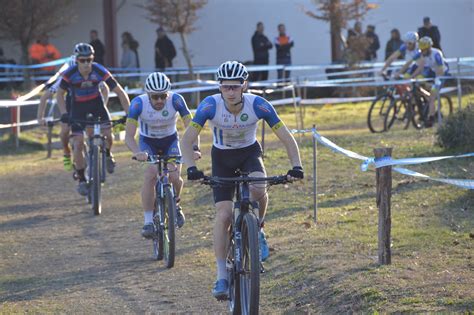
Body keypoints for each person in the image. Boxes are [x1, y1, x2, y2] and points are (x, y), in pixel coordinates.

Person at [181, 61, 304, 300]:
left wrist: (296, 166)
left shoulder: (258, 104)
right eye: (225, 87)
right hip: (222, 157)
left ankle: (257, 228)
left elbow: (287, 137)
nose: (230, 92)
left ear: (244, 85)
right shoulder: (209, 106)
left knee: (258, 186)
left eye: (235, 87)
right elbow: (186, 141)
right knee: (225, 215)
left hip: (249, 153)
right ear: (220, 87)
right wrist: (191, 167)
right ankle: (221, 275)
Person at [125, 72, 200, 236]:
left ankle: (176, 204)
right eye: (155, 97)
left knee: (174, 176)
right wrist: (137, 152)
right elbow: (129, 135)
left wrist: (194, 149)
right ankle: (148, 221)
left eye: (163, 96)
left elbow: (192, 126)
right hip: (148, 142)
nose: (159, 100)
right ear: (148, 94)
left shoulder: (176, 100)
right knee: (151, 174)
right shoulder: (138, 104)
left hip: (170, 141)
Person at [56, 43, 130, 196]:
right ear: (76, 60)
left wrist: (130, 114)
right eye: (82, 60)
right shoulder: (70, 74)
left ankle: (108, 154)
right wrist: (64, 113)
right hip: (77, 108)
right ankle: (82, 179)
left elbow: (120, 91)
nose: (86, 64)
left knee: (108, 135)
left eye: (89, 60)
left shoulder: (99, 70)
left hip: (96, 105)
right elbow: (59, 94)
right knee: (77, 144)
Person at [37, 56, 109, 172]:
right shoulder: (63, 80)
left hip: (89, 105)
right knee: (65, 131)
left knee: (91, 131)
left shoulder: (91, 75)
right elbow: (44, 97)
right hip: (71, 107)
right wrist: (40, 118)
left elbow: (105, 90)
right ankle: (66, 152)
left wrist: (103, 106)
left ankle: (93, 153)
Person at [408, 36, 449, 127]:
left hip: (441, 74)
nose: (422, 52)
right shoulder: (423, 54)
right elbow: (420, 68)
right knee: (419, 85)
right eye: (421, 50)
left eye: (423, 50)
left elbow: (440, 70)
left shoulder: (437, 54)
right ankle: (429, 100)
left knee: (432, 96)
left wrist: (435, 82)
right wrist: (411, 77)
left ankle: (431, 118)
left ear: (429, 48)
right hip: (432, 72)